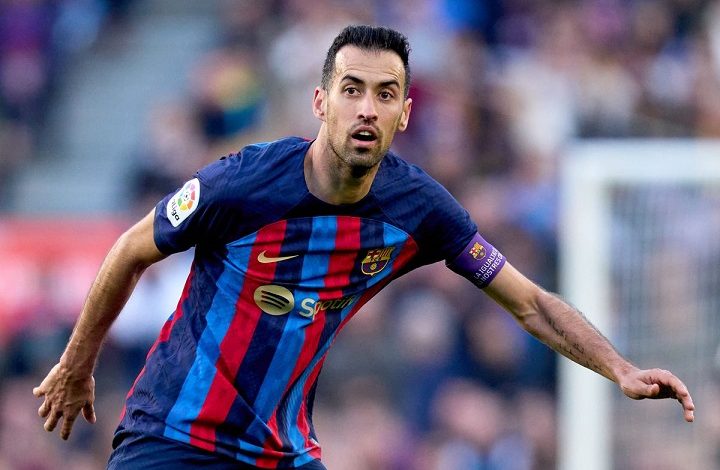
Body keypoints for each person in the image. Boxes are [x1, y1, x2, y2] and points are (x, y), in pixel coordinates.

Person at [33, 25, 695, 470]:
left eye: (385, 94)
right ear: (322, 102)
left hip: (280, 451)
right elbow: (130, 249)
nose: (367, 109)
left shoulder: (419, 209)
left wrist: (619, 368)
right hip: (175, 437)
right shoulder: (243, 183)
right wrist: (77, 363)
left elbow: (529, 303)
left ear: (405, 112)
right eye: (352, 91)